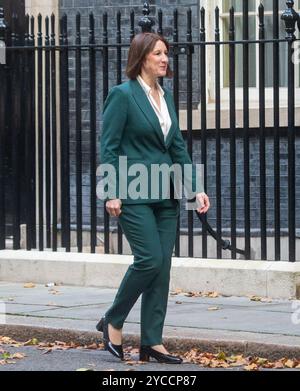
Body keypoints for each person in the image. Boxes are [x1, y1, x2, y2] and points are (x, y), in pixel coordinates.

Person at [97, 32, 210, 364]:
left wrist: (196, 188)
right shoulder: (122, 95)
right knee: (149, 260)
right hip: (132, 192)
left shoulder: (167, 96)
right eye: (158, 53)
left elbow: (177, 146)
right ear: (142, 57)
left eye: (166, 53)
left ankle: (152, 341)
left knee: (162, 269)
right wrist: (112, 191)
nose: (165, 58)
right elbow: (109, 145)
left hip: (167, 192)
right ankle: (114, 319)